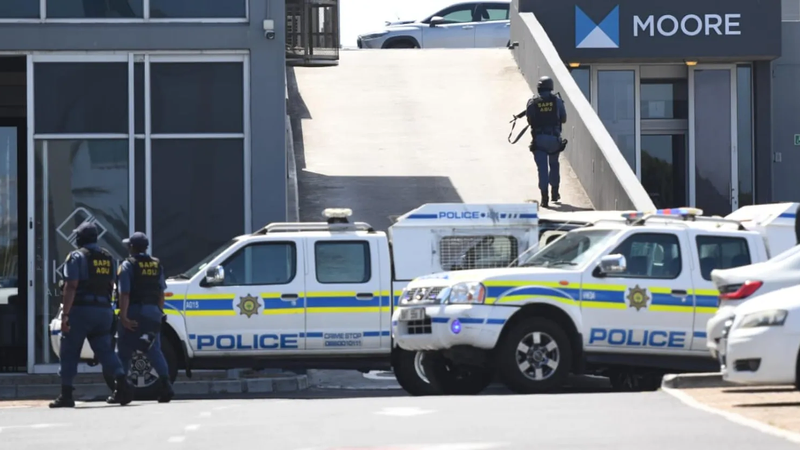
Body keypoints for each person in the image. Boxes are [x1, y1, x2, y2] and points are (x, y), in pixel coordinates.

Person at [50, 222, 133, 408]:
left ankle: (66, 394)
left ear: (80, 238)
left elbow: (71, 286)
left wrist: (65, 315)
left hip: (81, 311)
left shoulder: (76, 256)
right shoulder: (107, 256)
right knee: (105, 351)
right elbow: (112, 283)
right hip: (103, 311)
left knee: (69, 350)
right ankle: (122, 384)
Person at [111, 232, 174, 404]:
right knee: (154, 350)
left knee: (123, 352)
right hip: (153, 312)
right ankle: (166, 385)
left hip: (134, 312)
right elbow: (161, 292)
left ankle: (121, 391)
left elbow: (125, 293)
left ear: (132, 247)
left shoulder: (127, 265)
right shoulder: (156, 264)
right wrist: (158, 313)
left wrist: (123, 317)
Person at [513, 76, 568, 208]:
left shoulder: (532, 102)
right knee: (554, 164)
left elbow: (530, 120)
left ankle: (544, 197)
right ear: (551, 87)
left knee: (542, 168)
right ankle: (555, 192)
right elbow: (564, 119)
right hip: (554, 139)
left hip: (539, 140)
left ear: (539, 87)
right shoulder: (557, 101)